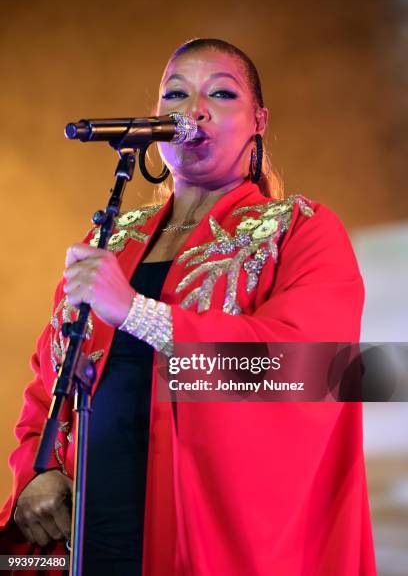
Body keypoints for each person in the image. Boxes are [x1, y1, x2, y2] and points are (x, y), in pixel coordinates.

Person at [0, 38, 377, 575]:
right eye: (175, 94)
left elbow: (309, 368)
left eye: (221, 93)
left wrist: (137, 312)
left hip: (209, 539)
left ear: (258, 121)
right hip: (88, 532)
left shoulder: (300, 229)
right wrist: (39, 471)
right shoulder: (112, 236)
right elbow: (48, 380)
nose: (193, 109)